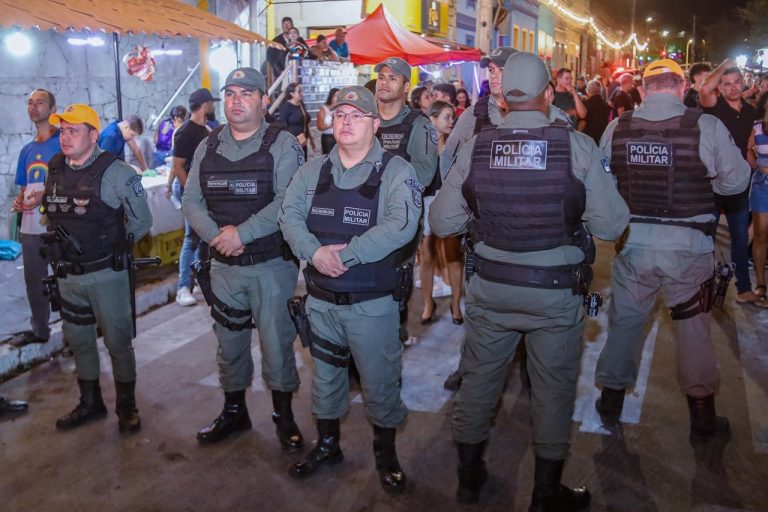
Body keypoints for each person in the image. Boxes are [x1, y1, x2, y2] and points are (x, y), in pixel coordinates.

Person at [431, 51, 629, 509]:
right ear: (548, 94)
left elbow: (442, 222)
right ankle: (545, 495)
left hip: (491, 289)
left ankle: (468, 480)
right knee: (552, 393)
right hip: (555, 295)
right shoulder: (576, 147)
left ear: (504, 97)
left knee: (478, 385)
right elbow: (613, 225)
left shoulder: (478, 147)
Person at [594, 59, 750, 444]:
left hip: (634, 245)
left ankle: (610, 400)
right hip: (688, 248)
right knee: (693, 329)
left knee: (625, 323)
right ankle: (702, 418)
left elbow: (602, 181)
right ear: (682, 88)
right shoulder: (705, 126)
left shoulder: (617, 127)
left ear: (644, 90)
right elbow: (735, 183)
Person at [279, 85, 422, 493]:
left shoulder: (397, 171)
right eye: (340, 114)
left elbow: (401, 226)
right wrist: (314, 253)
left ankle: (386, 455)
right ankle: (327, 445)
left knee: (380, 381)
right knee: (325, 379)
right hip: (321, 302)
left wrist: (348, 255)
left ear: (375, 124)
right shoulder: (313, 171)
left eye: (356, 115)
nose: (345, 121)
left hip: (372, 304)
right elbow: (289, 215)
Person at [182, 67, 305, 449]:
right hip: (223, 267)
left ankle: (283, 417)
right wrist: (218, 238)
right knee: (228, 344)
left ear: (264, 100)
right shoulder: (209, 144)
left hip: (271, 266)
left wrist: (242, 234)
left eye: (246, 93)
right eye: (231, 93)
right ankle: (234, 411)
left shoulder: (283, 143)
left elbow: (288, 201)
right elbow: (191, 200)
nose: (237, 100)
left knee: (277, 345)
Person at [41, 103, 152, 433]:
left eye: (73, 131)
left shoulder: (117, 172)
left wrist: (113, 246)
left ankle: (127, 406)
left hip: (106, 276)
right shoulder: (55, 168)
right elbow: (53, 212)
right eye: (62, 130)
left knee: (118, 343)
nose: (65, 137)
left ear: (93, 135)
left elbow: (142, 221)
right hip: (67, 277)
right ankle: (90, 403)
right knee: (80, 341)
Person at [700, 59, 761, 303]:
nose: (733, 87)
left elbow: (749, 142)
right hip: (712, 184)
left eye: (736, 82)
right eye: (726, 83)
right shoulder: (715, 108)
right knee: (706, 238)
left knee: (739, 238)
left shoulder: (750, 112)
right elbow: (705, 88)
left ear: (743, 83)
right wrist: (725, 64)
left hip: (739, 185)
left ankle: (744, 289)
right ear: (720, 87)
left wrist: (751, 161)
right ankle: (702, 287)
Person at [10, 89, 59, 347]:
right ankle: (40, 330)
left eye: (40, 102)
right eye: (30, 102)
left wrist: (45, 196)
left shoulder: (64, 143)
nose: (33, 107)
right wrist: (20, 202)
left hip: (59, 225)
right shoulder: (27, 150)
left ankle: (77, 334)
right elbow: (24, 187)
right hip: (31, 226)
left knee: (67, 280)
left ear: (52, 109)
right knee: (34, 282)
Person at [169, 88, 219, 307]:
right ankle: (182, 287)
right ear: (205, 105)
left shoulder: (204, 129)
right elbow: (178, 165)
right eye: (211, 103)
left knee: (202, 238)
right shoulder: (186, 131)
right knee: (191, 239)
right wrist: (190, 192)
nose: (213, 106)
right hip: (193, 192)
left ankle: (200, 279)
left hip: (203, 190)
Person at [440, 47, 517, 180]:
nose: (493, 75)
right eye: (491, 70)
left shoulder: (536, 113)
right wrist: (453, 190)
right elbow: (448, 157)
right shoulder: (472, 115)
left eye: (501, 70)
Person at [420, 100, 463, 325]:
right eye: (447, 117)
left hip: (449, 204)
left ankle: (456, 305)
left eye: (452, 117)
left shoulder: (455, 146)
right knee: (427, 256)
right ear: (432, 119)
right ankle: (428, 303)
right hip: (427, 202)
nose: (451, 121)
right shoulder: (422, 148)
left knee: (453, 255)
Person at [747, 111, 768, 307]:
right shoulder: (758, 126)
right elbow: (746, 148)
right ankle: (761, 284)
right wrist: (757, 168)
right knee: (761, 235)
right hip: (763, 185)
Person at [278, 82, 314, 158]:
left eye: (302, 91)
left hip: (303, 141)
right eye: (299, 91)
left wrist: (311, 139)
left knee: (303, 162)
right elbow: (281, 127)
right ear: (292, 94)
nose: (302, 93)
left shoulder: (301, 104)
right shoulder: (286, 107)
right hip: (292, 144)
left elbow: (305, 123)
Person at [580, 79, 612, 145]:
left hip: (588, 139)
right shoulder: (606, 105)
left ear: (588, 91)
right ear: (600, 91)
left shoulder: (585, 104)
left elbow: (582, 122)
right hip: (602, 138)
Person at [317, 88, 340, 154]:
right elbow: (320, 127)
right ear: (331, 96)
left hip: (340, 136)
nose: (338, 98)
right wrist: (331, 124)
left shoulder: (341, 108)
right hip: (329, 137)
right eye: (336, 95)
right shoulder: (324, 109)